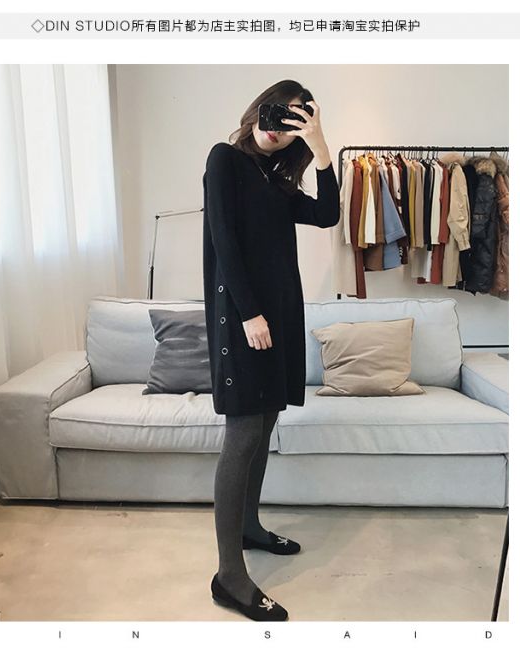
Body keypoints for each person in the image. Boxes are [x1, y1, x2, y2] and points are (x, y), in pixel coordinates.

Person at [202, 79, 340, 621]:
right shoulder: (225, 160)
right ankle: (229, 576)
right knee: (242, 434)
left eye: (295, 123)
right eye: (278, 113)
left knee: (264, 427)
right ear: (260, 108)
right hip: (245, 319)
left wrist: (321, 147)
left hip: (279, 317)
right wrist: (248, 314)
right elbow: (224, 241)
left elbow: (327, 214)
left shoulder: (278, 181)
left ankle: (249, 527)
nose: (280, 129)